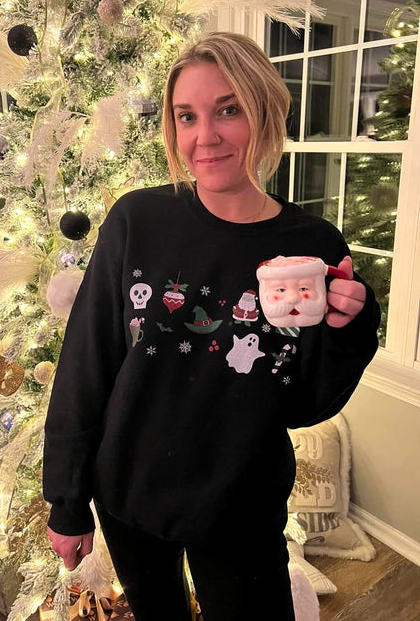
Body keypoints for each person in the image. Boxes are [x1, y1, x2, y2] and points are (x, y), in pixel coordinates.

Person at [43, 32, 380, 621]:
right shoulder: (136, 221)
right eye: (187, 116)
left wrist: (350, 325)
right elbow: (85, 367)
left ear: (264, 112)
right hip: (130, 493)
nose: (206, 136)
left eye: (229, 109)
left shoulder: (310, 248)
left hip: (241, 504)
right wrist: (67, 503)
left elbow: (304, 403)